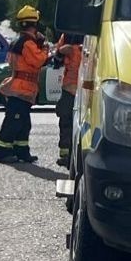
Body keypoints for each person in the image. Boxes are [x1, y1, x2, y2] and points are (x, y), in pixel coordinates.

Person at [0, 5, 50, 164]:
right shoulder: (27, 43)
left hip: (21, 88)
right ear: (34, 24)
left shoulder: (21, 41)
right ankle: (2, 152)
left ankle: (22, 152)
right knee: (14, 121)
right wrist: (45, 48)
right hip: (20, 89)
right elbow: (39, 61)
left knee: (24, 123)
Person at [53, 33, 83, 168]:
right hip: (70, 88)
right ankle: (65, 155)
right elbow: (56, 60)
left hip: (89, 88)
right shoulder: (67, 35)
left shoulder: (96, 30)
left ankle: (78, 156)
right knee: (66, 120)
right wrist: (60, 51)